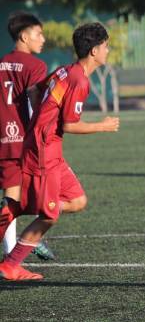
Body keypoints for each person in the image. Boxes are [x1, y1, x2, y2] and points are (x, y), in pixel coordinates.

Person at [0, 22, 120, 281]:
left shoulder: (65, 71)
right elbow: (69, 124)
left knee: (77, 201)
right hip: (44, 151)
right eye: (106, 46)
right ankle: (11, 264)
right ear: (94, 51)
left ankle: (16, 208)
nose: (108, 51)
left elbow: (34, 91)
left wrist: (40, 123)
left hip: (46, 147)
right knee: (50, 214)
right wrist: (103, 126)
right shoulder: (78, 80)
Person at [0, 12, 56, 261]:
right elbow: (36, 104)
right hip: (21, 139)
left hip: (3, 135)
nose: (42, 39)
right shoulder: (35, 66)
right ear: (24, 36)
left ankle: (24, 243)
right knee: (18, 198)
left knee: (16, 196)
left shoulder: (2, 62)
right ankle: (20, 248)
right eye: (38, 33)